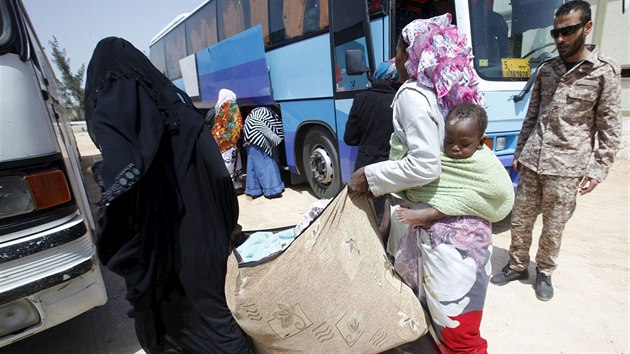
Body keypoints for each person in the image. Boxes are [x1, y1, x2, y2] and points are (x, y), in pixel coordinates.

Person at [84, 37, 250, 353]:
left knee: (198, 327)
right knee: (217, 315)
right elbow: (219, 174)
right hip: (211, 239)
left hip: (174, 252)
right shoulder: (183, 112)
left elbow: (123, 194)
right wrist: (228, 228)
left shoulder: (134, 128)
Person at [348, 13, 486, 353]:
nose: (395, 58)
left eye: (397, 49)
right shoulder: (451, 93)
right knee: (456, 324)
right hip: (465, 228)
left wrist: (370, 174)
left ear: (410, 54)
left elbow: (425, 164)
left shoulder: (412, 94)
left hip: (436, 233)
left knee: (440, 326)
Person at [490, 0, 622, 302]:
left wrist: (598, 169)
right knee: (521, 219)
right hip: (534, 159)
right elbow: (532, 115)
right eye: (556, 33)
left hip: (567, 165)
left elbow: (610, 127)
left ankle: (545, 271)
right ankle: (518, 264)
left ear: (587, 28)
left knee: (554, 225)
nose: (560, 39)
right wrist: (521, 152)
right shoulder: (547, 69)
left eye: (568, 31)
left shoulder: (604, 72)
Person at [392, 104, 513, 352]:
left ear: (482, 141)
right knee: (429, 311)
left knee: (457, 321)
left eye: (464, 144)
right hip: (431, 245)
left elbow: (497, 194)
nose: (455, 148)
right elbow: (424, 183)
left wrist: (432, 211)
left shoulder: (485, 164)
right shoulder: (440, 158)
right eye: (450, 142)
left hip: (464, 251)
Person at [343, 59, 399, 226]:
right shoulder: (400, 100)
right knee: (388, 215)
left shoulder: (361, 98)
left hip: (365, 166)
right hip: (392, 166)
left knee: (366, 213)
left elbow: (350, 138)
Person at [243, 106, 285, 199]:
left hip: (249, 138)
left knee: (252, 165)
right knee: (266, 162)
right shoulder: (271, 114)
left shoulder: (255, 113)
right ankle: (272, 190)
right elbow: (276, 132)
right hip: (258, 137)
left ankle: (254, 190)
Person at [211, 88, 244, 191]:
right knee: (230, 165)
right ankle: (233, 187)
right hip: (228, 142)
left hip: (225, 141)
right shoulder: (229, 106)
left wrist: (217, 137)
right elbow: (236, 125)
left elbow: (233, 126)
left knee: (228, 165)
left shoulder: (225, 106)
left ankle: (231, 187)